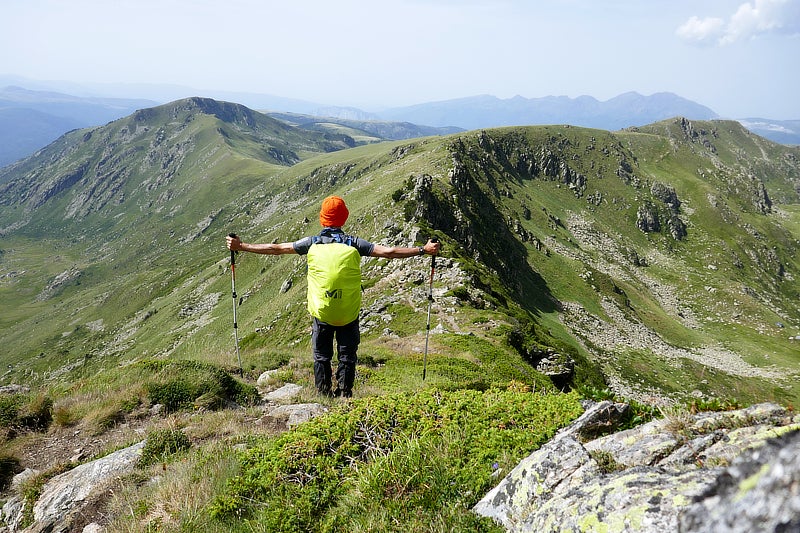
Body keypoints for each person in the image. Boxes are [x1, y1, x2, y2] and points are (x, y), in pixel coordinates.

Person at [226, 195, 440, 398]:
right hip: (348, 311)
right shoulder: (354, 243)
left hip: (323, 312)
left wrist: (241, 246)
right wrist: (424, 249)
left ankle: (323, 393)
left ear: (322, 218)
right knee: (347, 355)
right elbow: (389, 252)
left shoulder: (312, 243)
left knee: (321, 355)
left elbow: (277, 249)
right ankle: (345, 393)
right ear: (344, 218)